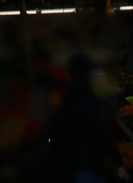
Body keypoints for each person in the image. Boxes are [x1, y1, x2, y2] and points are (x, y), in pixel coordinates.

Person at [42, 55, 127, 183]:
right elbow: (98, 130)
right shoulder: (85, 99)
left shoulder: (65, 97)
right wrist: (118, 162)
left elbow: (53, 130)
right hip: (87, 162)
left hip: (70, 162)